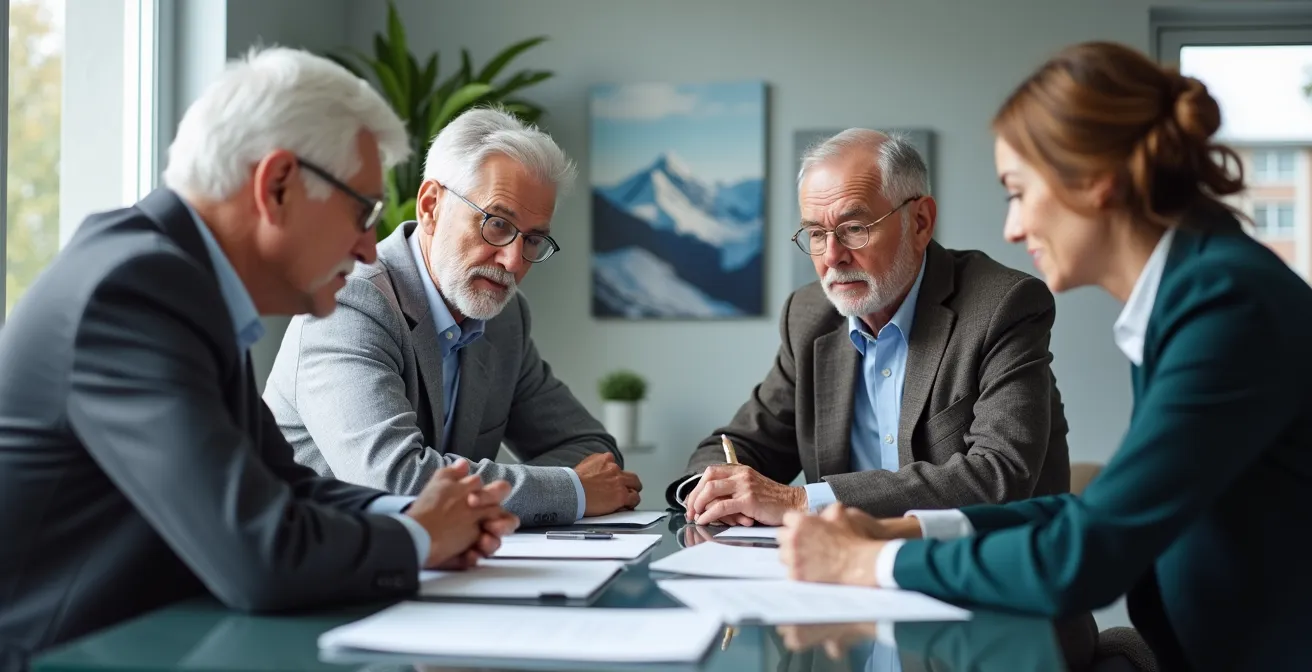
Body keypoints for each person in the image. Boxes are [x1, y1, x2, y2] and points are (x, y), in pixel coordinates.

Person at [778, 41, 1312, 671]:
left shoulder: (1226, 307)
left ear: (1096, 183)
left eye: (1018, 191)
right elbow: (1100, 509)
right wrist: (913, 530)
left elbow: (1093, 551)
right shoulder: (1193, 293)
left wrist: (866, 561)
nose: (1011, 226)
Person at [0, 48, 518, 659]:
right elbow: (259, 555)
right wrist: (419, 535)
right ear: (276, 186)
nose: (369, 249)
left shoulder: (174, 279)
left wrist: (429, 510)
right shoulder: (134, 292)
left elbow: (285, 485)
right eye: (363, 213)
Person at [668, 129, 1072, 526]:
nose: (832, 256)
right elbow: (745, 442)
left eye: (854, 229)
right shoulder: (808, 315)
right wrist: (709, 490)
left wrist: (802, 501)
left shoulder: (1003, 305)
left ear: (920, 222)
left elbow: (1000, 474)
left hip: (983, 570)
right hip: (845, 573)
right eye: (816, 233)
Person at [264, 108, 641, 527]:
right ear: (430, 206)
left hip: (443, 567)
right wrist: (570, 490)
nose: (514, 261)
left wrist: (567, 485)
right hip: (324, 572)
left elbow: (594, 452)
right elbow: (394, 480)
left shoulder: (506, 317)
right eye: (497, 224)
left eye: (534, 239)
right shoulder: (351, 300)